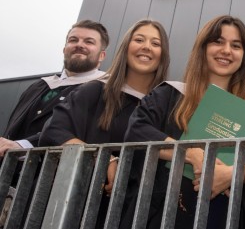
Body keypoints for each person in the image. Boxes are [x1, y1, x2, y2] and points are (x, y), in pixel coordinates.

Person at [124, 15, 245, 229]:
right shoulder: (171, 94)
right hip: (166, 211)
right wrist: (189, 153)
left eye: (236, 45)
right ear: (203, 48)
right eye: (218, 41)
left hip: (230, 214)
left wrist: (233, 174)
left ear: (244, 55)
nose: (226, 50)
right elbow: (137, 130)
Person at [38, 19, 170, 226]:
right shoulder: (95, 91)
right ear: (126, 47)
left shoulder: (167, 105)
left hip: (142, 213)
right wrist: (104, 158)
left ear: (163, 54)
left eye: (156, 43)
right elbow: (54, 131)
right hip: (89, 208)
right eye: (139, 40)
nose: (146, 47)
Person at [0, 19, 109, 156]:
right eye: (73, 40)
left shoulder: (106, 90)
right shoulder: (38, 86)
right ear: (64, 49)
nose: (79, 45)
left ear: (101, 55)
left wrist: (23, 145)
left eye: (89, 42)